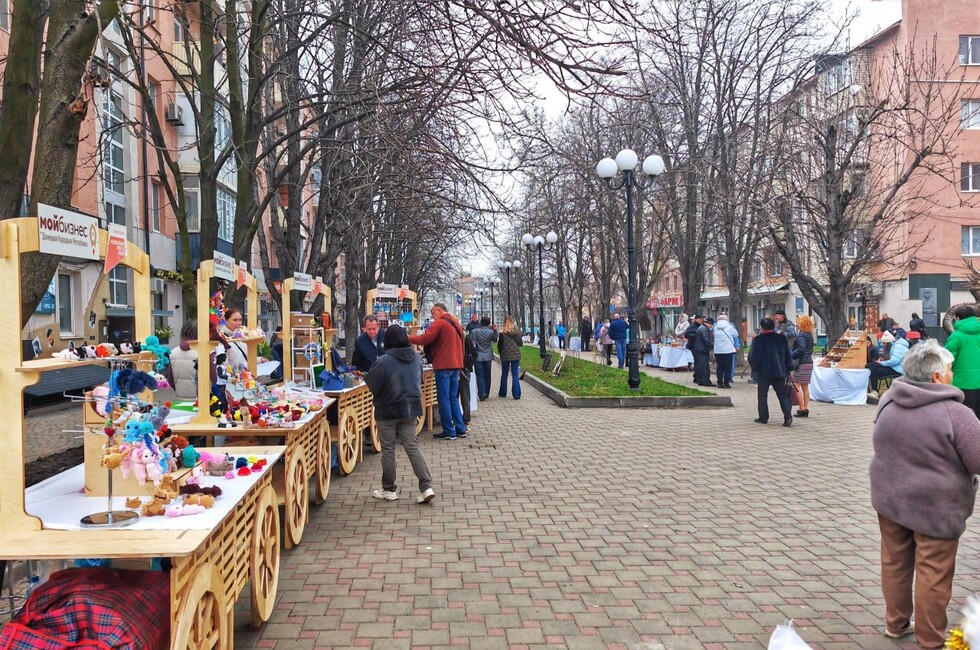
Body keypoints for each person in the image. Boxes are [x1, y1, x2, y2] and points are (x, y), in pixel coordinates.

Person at [869, 339, 980, 649]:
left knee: (895, 562)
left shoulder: (889, 400)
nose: (952, 373)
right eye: (949, 369)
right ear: (935, 377)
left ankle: (896, 624)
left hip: (890, 497)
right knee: (933, 571)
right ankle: (930, 639)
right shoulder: (956, 414)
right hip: (936, 507)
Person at [364, 326, 435, 504]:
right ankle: (426, 487)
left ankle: (389, 489)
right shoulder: (416, 359)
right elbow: (418, 381)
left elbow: (371, 383)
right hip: (411, 408)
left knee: (388, 449)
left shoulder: (383, 361)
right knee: (412, 446)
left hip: (387, 410)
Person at [408, 303, 467, 440]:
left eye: (433, 313)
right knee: (453, 398)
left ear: (439, 311)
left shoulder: (440, 323)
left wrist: (407, 338)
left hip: (443, 365)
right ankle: (460, 428)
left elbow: (424, 339)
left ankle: (449, 431)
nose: (432, 316)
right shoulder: (455, 323)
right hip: (456, 365)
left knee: (444, 399)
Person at [748, 317, 794, 427]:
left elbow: (752, 357)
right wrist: (789, 368)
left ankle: (763, 417)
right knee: (782, 394)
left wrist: (756, 369)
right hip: (779, 371)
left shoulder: (758, 340)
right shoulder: (781, 338)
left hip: (763, 372)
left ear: (762, 327)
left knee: (762, 395)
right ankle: (788, 416)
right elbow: (787, 355)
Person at [945, 304, 980, 418]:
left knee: (964, 419)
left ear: (958, 318)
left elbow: (948, 359)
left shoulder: (957, 336)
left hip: (962, 383)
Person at [790, 315, 815, 417]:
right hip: (809, 362)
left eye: (798, 322)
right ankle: (806, 407)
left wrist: (791, 355)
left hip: (801, 363)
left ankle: (801, 408)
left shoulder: (801, 336)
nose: (797, 324)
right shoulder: (809, 335)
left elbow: (801, 349)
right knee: (805, 387)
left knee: (797, 385)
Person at [469, 316, 498, 400]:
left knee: (479, 375)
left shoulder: (474, 331)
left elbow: (472, 342)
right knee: (487, 375)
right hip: (488, 356)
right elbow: (495, 340)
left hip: (478, 355)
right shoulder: (491, 332)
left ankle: (482, 393)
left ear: (481, 322)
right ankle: (487, 392)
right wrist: (495, 330)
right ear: (488, 323)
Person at [170, 320, 199, 400]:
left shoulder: (172, 353)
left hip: (181, 398)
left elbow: (170, 380)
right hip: (202, 400)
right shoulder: (203, 353)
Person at [497, 314, 523, 399]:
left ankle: (502, 392)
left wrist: (501, 352)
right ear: (512, 322)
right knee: (515, 374)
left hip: (505, 356)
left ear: (504, 322)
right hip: (515, 355)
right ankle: (516, 394)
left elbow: (499, 346)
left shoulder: (502, 333)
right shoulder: (517, 332)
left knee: (504, 374)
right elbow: (520, 343)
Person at [712, 314, 738, 389]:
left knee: (719, 367)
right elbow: (736, 334)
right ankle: (726, 383)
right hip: (728, 350)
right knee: (728, 367)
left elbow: (713, 335)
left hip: (718, 350)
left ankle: (719, 383)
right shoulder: (730, 327)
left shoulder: (715, 327)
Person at [691, 317, 713, 386]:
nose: (711, 327)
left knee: (700, 366)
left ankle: (700, 381)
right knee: (704, 367)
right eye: (711, 325)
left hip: (698, 349)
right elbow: (706, 340)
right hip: (702, 350)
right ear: (708, 324)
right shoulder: (704, 329)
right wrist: (711, 346)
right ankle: (705, 381)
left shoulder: (701, 328)